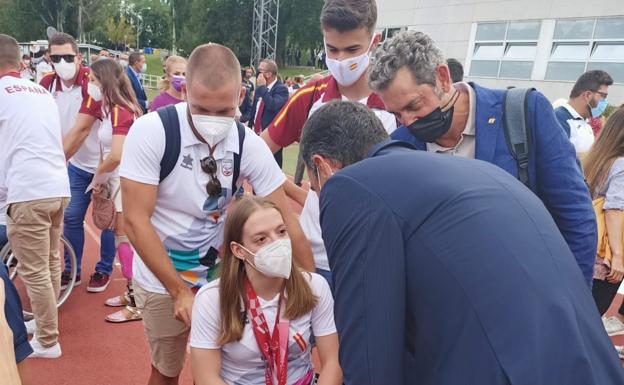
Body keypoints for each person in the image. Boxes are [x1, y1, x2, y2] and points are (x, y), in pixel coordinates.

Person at [299, 100, 624, 384]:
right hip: (589, 364)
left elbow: (370, 356)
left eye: (316, 192)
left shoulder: (350, 186)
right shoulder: (478, 172)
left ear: (323, 168)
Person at [120, 43, 312, 385]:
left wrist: (310, 290)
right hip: (163, 277)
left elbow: (287, 222)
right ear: (184, 91)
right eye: (200, 108)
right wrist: (177, 290)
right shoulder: (152, 132)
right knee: (166, 371)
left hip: (221, 278)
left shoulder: (246, 142)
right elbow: (135, 220)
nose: (212, 121)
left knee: (216, 371)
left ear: (240, 95)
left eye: (224, 111)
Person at [369, 30, 597, 286]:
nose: (407, 121)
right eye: (397, 114)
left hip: (529, 290)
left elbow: (575, 214)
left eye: (413, 106)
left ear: (442, 78)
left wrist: (576, 300)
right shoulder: (401, 146)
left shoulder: (523, 113)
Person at [261, 0, 397, 279]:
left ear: (374, 41)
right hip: (315, 257)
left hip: (375, 256)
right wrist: (288, 200)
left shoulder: (396, 99)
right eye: (332, 49)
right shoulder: (311, 94)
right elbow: (259, 150)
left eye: (352, 50)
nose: (341, 60)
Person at [190, 196, 342, 385]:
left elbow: (333, 362)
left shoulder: (314, 286)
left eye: (281, 232)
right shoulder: (212, 299)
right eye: (261, 239)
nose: (277, 243)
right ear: (239, 251)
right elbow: (206, 377)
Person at [0, 34, 71, 358]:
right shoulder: (41, 91)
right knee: (50, 261)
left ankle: (48, 339)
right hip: (57, 185)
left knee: (35, 269)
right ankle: (46, 325)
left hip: (27, 190)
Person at [42, 32, 117, 293]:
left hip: (105, 165)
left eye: (68, 57)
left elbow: (82, 130)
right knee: (72, 217)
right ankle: (70, 269)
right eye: (56, 57)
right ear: (48, 58)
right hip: (75, 164)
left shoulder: (91, 83)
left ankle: (104, 268)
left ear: (78, 56)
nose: (62, 62)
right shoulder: (47, 84)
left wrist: (51, 162)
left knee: (106, 220)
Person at [83, 59, 144, 322]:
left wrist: (98, 176)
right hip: (116, 180)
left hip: (125, 182)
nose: (89, 84)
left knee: (126, 241)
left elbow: (116, 154)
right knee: (123, 241)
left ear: (105, 81)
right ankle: (133, 295)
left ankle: (137, 302)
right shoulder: (110, 110)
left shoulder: (120, 111)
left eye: (94, 80)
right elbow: (107, 151)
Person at [583, 108, 624, 346]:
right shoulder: (621, 165)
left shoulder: (599, 158)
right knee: (590, 314)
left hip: (590, 244)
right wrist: (618, 256)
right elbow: (615, 208)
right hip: (607, 254)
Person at [241, 59, 289, 168]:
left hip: (271, 138)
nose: (257, 73)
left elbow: (273, 105)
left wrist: (263, 88)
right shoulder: (259, 90)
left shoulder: (281, 89)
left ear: (268, 74)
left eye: (260, 70)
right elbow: (254, 111)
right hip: (255, 135)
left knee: (270, 171)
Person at [554, 70, 613, 154]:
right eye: (603, 96)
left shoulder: (585, 121)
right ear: (587, 95)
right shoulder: (559, 120)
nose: (605, 102)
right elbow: (558, 160)